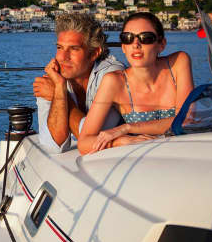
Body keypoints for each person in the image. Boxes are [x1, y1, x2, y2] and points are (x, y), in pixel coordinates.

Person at [77, 12, 195, 155]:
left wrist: (127, 128)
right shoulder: (114, 82)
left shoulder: (178, 63)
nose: (136, 44)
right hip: (143, 158)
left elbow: (187, 120)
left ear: (161, 44)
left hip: (184, 151)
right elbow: (84, 143)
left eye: (146, 38)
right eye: (128, 38)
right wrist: (119, 141)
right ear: (123, 47)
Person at [34, 13, 125, 153]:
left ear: (94, 53)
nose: (62, 57)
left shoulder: (112, 74)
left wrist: (58, 94)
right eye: (59, 48)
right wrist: (59, 87)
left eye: (74, 49)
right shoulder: (53, 79)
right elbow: (52, 145)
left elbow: (95, 139)